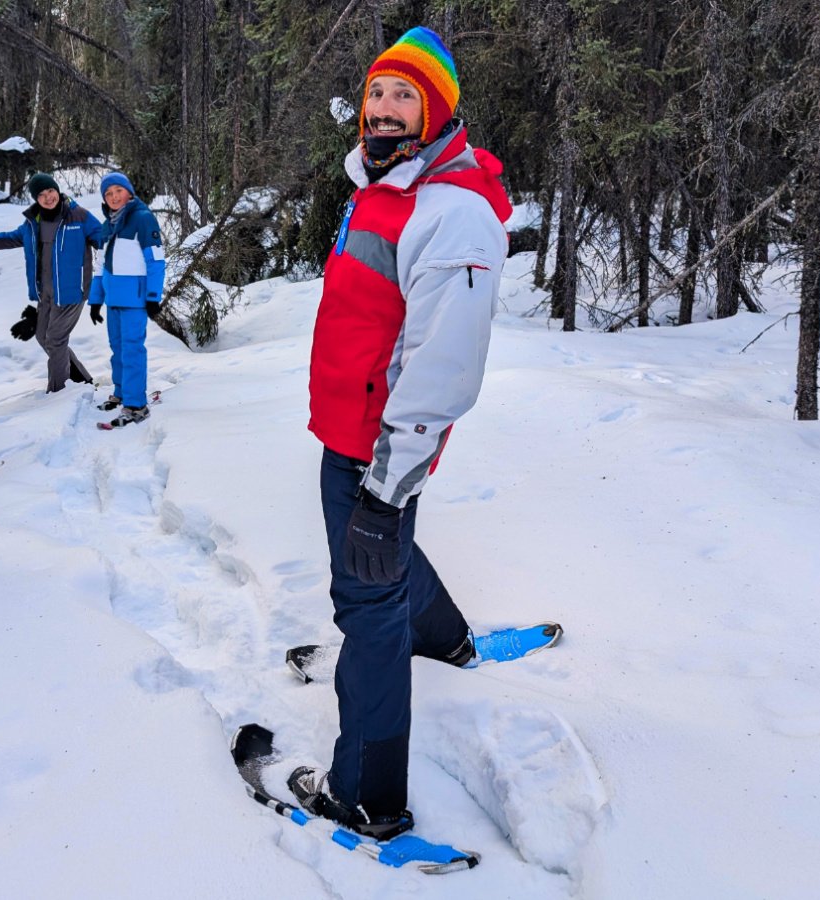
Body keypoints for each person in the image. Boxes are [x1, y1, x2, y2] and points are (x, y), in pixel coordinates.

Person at [287, 28, 527, 840]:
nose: (384, 108)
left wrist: (386, 493)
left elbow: (442, 371)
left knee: (367, 601)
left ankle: (367, 794)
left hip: (378, 446)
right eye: (376, 93)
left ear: (435, 112)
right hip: (351, 428)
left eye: (404, 96)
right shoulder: (386, 186)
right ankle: (446, 638)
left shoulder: (452, 213)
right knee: (381, 561)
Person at [0, 173, 104, 393]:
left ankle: (59, 393)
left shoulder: (79, 215)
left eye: (50, 191)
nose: (48, 197)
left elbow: (103, 238)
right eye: (41, 194)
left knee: (55, 340)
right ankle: (80, 380)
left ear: (57, 191)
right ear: (36, 198)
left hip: (73, 290)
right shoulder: (33, 222)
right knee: (43, 335)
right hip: (45, 292)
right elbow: (13, 237)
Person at [88, 172, 165, 428]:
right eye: (108, 194)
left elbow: (156, 261)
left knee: (132, 350)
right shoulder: (107, 225)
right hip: (113, 300)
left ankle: (135, 405)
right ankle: (120, 393)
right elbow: (101, 266)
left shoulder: (142, 218)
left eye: (118, 191)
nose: (113, 197)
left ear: (129, 192)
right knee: (117, 349)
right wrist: (96, 300)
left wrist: (153, 297)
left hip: (135, 300)